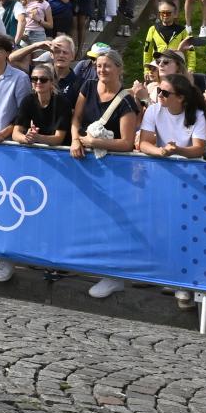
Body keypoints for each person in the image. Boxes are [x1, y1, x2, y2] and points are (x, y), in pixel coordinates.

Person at [69, 49, 140, 299]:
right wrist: (77, 140)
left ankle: (114, 275)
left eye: (108, 66)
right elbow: (76, 119)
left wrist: (95, 143)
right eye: (99, 65)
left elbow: (127, 143)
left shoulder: (127, 101)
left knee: (113, 221)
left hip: (114, 170)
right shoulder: (87, 86)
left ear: (120, 69)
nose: (102, 70)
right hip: (86, 164)